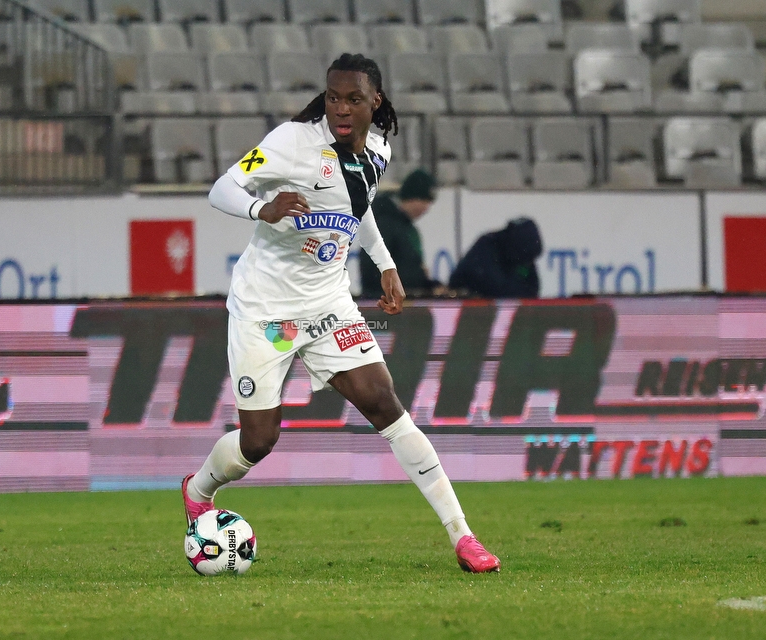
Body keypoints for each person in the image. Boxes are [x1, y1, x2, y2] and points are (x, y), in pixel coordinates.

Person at [182, 53, 500, 573]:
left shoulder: (377, 148)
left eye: (353, 99)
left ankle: (464, 538)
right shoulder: (291, 142)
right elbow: (222, 188)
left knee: (384, 403)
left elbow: (358, 203)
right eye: (333, 98)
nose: (341, 109)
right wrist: (263, 208)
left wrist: (385, 264)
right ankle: (197, 490)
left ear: (375, 101)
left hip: (328, 303)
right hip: (266, 307)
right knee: (259, 440)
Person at [359, 169, 441, 298]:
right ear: (412, 197)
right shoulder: (385, 224)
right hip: (384, 301)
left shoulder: (405, 228)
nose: (426, 208)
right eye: (423, 201)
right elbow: (374, 270)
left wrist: (426, 284)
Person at [449, 217, 543, 298]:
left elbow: (532, 287)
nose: (528, 263)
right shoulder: (488, 248)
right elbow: (499, 290)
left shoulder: (521, 261)